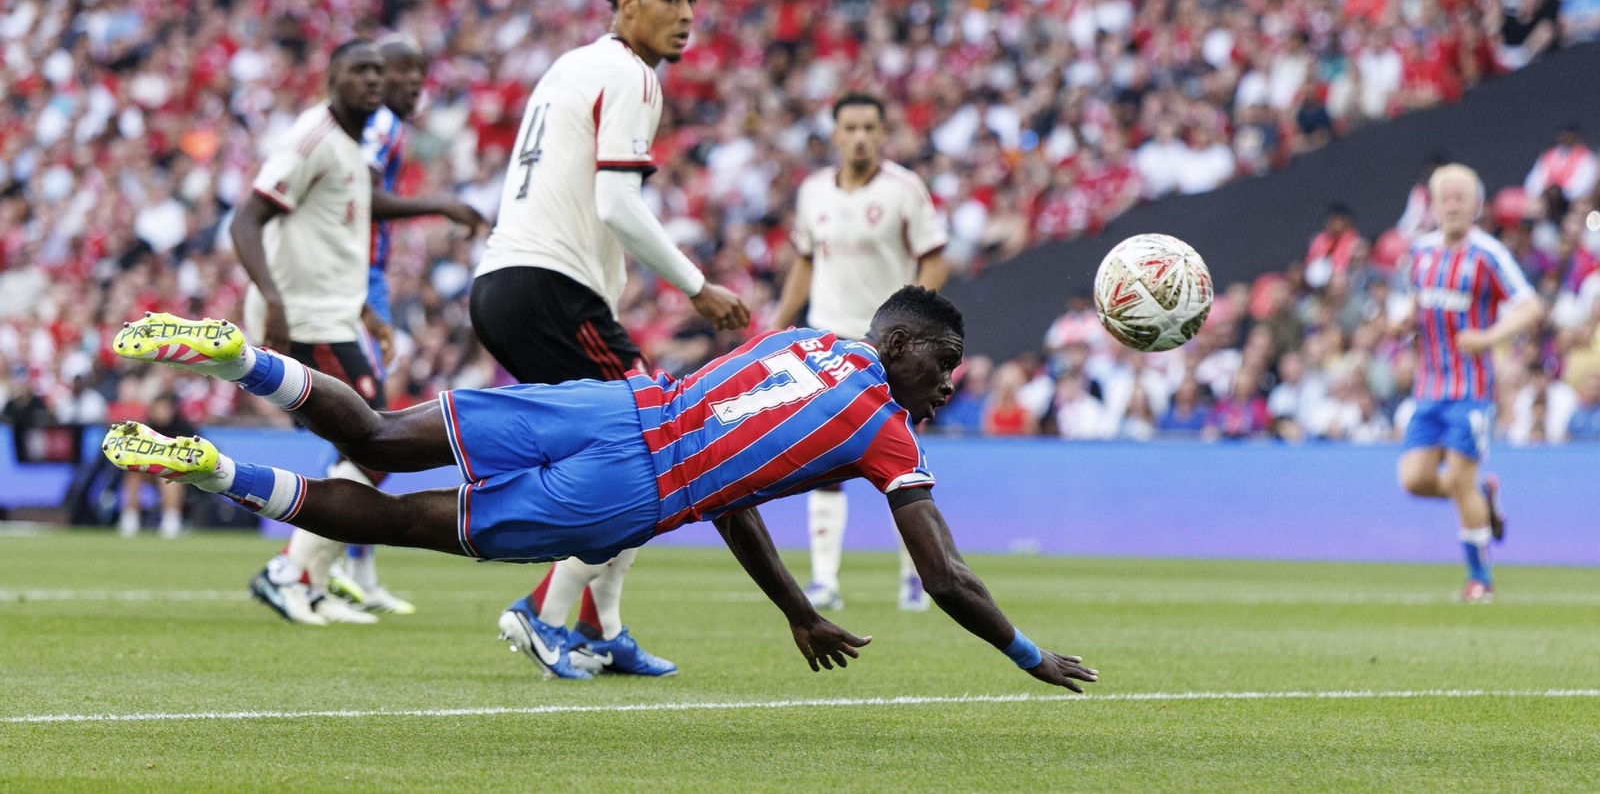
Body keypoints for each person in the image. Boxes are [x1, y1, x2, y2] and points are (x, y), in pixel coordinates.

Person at [104, 291, 1099, 692]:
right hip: (628, 489)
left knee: (372, 434)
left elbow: (737, 488)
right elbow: (947, 575)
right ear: (900, 344)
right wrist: (1027, 652)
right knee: (404, 520)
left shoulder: (804, 339)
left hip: (607, 405)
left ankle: (237, 357)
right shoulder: (886, 433)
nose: (950, 382)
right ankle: (215, 468)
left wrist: (796, 606)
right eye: (944, 362)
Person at [469, 0, 751, 677]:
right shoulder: (632, 74)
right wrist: (696, 284)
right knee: (654, 446)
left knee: (630, 454)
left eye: (692, 0)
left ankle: (601, 627)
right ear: (625, 5)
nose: (686, 15)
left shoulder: (571, 65)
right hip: (548, 288)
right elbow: (616, 204)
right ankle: (544, 611)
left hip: (504, 283)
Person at [229, 40, 478, 626]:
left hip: (336, 313)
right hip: (305, 316)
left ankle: (311, 578)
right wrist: (273, 299)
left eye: (377, 71)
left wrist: (365, 310)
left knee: (368, 447)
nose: (373, 80)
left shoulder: (349, 145)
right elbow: (246, 218)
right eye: (360, 70)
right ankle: (292, 572)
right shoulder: (312, 137)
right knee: (377, 445)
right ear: (332, 77)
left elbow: (335, 240)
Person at [771, 91, 949, 613]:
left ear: (883, 133)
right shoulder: (813, 193)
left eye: (870, 128)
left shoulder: (904, 190)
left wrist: (914, 322)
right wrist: (780, 322)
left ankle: (915, 576)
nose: (860, 138)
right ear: (835, 134)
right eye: (850, 128)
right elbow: (805, 260)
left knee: (901, 460)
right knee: (823, 458)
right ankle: (824, 579)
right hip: (828, 341)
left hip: (890, 346)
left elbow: (935, 258)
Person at [326, 34, 485, 616]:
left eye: (420, 71)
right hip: (350, 278)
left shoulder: (380, 126)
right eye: (400, 70)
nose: (413, 81)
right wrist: (439, 203)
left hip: (362, 279)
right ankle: (304, 566)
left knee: (363, 430)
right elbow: (364, 196)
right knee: (368, 429)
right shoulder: (381, 125)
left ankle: (351, 568)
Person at [1397, 164, 1542, 601]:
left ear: (1476, 205)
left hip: (1471, 391)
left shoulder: (1487, 255)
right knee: (1414, 479)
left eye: (1461, 197)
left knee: (1460, 477)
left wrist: (1489, 338)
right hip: (1428, 389)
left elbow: (1530, 306)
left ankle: (1481, 579)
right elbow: (1416, 305)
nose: (1453, 204)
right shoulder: (1421, 252)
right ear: (1434, 204)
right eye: (1446, 197)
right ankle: (1482, 497)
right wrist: (1402, 322)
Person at [117, 392, 191, 539]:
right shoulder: (145, 430)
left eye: (165, 409)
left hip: (181, 475)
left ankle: (171, 521)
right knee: (133, 473)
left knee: (168, 475)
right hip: (151, 471)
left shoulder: (184, 429)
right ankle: (130, 519)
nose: (161, 413)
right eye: (158, 408)